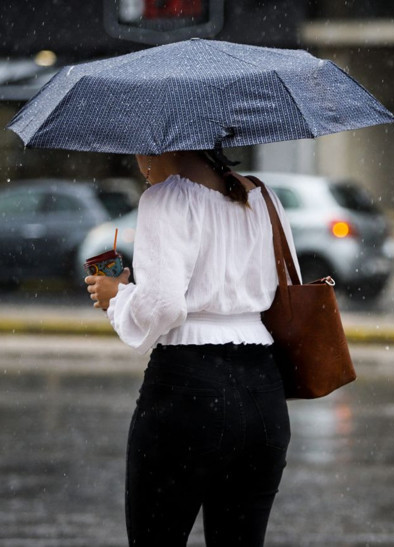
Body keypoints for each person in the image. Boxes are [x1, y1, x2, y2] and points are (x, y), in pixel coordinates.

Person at [85, 149, 300, 546]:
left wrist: (117, 297)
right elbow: (285, 283)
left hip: (188, 389)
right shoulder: (264, 198)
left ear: (154, 147)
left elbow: (164, 306)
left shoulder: (166, 198)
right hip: (262, 391)